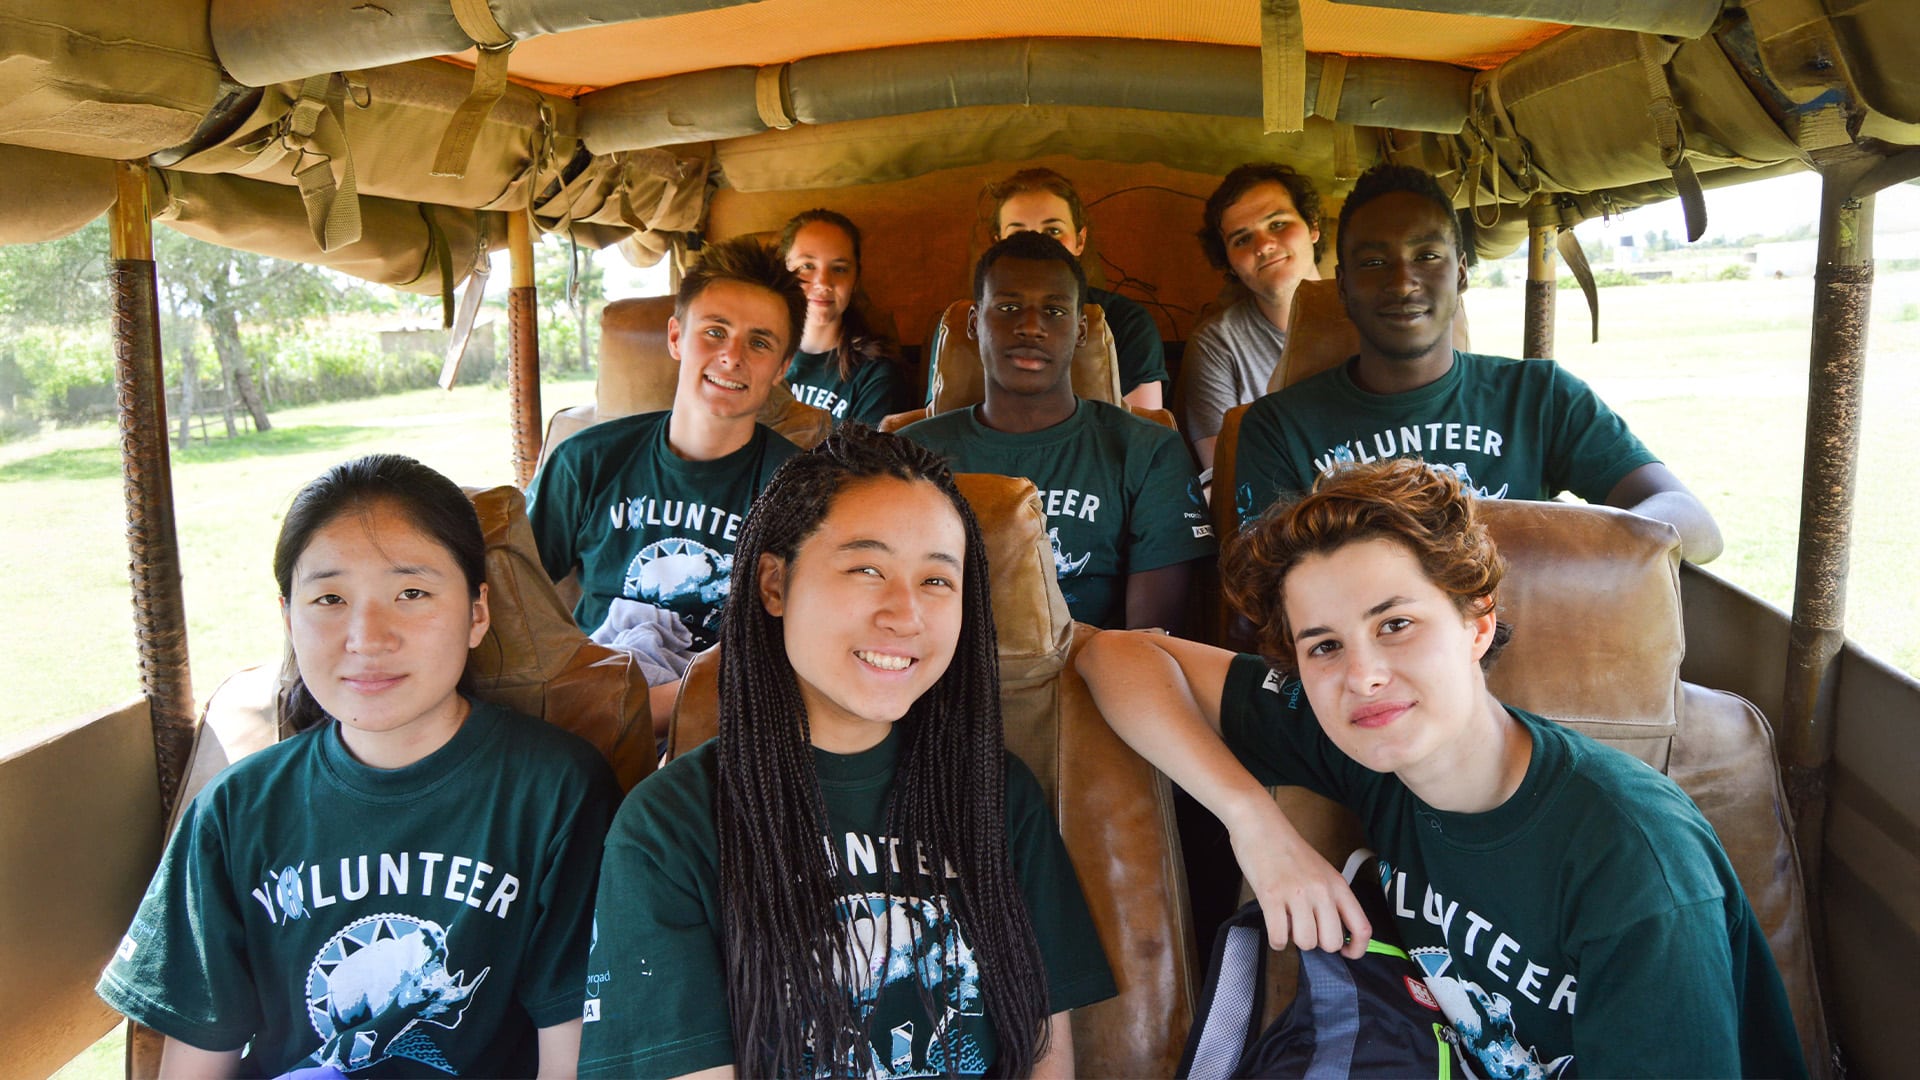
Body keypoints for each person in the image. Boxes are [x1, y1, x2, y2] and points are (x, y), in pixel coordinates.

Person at [1076, 458, 1806, 1079]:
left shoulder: (1632, 860)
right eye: (1323, 645)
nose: (1362, 676)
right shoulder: (1367, 747)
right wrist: (1253, 822)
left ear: (1477, 623)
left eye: (1396, 625)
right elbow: (1118, 655)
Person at [578, 427, 1116, 1078]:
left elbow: (1046, 1054)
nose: (906, 614)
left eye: (936, 580)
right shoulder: (669, 827)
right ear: (774, 584)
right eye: (867, 569)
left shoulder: (997, 795)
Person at [97, 453, 621, 1078]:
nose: (368, 637)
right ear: (288, 618)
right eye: (330, 598)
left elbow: (571, 1051)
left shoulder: (557, 792)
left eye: (411, 593)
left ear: (477, 612)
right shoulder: (235, 811)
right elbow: (195, 1062)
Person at [1233, 163, 1724, 563]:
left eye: (1427, 256)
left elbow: (1694, 525)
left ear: (1462, 274)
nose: (1402, 282)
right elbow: (1264, 587)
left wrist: (1566, 544)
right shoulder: (1279, 428)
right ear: (1342, 285)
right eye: (1375, 263)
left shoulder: (1539, 396)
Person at [527, 237, 806, 732]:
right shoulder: (586, 462)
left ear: (782, 367)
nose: (732, 356)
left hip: (719, 719)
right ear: (676, 337)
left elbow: (800, 650)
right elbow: (511, 592)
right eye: (715, 332)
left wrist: (639, 713)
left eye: (760, 343)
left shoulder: (801, 489)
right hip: (590, 697)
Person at [899, 231, 1214, 633]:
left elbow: (1151, 638)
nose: (1031, 326)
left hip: (1102, 667)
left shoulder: (1148, 451)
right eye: (1009, 307)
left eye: (1054, 311)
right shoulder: (910, 453)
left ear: (1081, 331)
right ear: (976, 323)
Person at [986, 166, 1169, 410]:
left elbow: (1143, 426)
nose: (1036, 246)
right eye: (1018, 234)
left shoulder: (1127, 323)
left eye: (1053, 231)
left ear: (1079, 241)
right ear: (998, 243)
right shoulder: (960, 326)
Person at [1183, 162, 1325, 473]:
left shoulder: (1374, 317)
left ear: (1313, 226)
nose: (1263, 246)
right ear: (1229, 264)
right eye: (1242, 239)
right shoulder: (1218, 344)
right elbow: (1225, 478)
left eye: (1278, 224)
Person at [777, 209, 916, 427]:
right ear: (782, 271)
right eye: (807, 266)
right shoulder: (753, 359)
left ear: (855, 280)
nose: (823, 282)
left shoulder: (875, 375)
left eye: (839, 269)